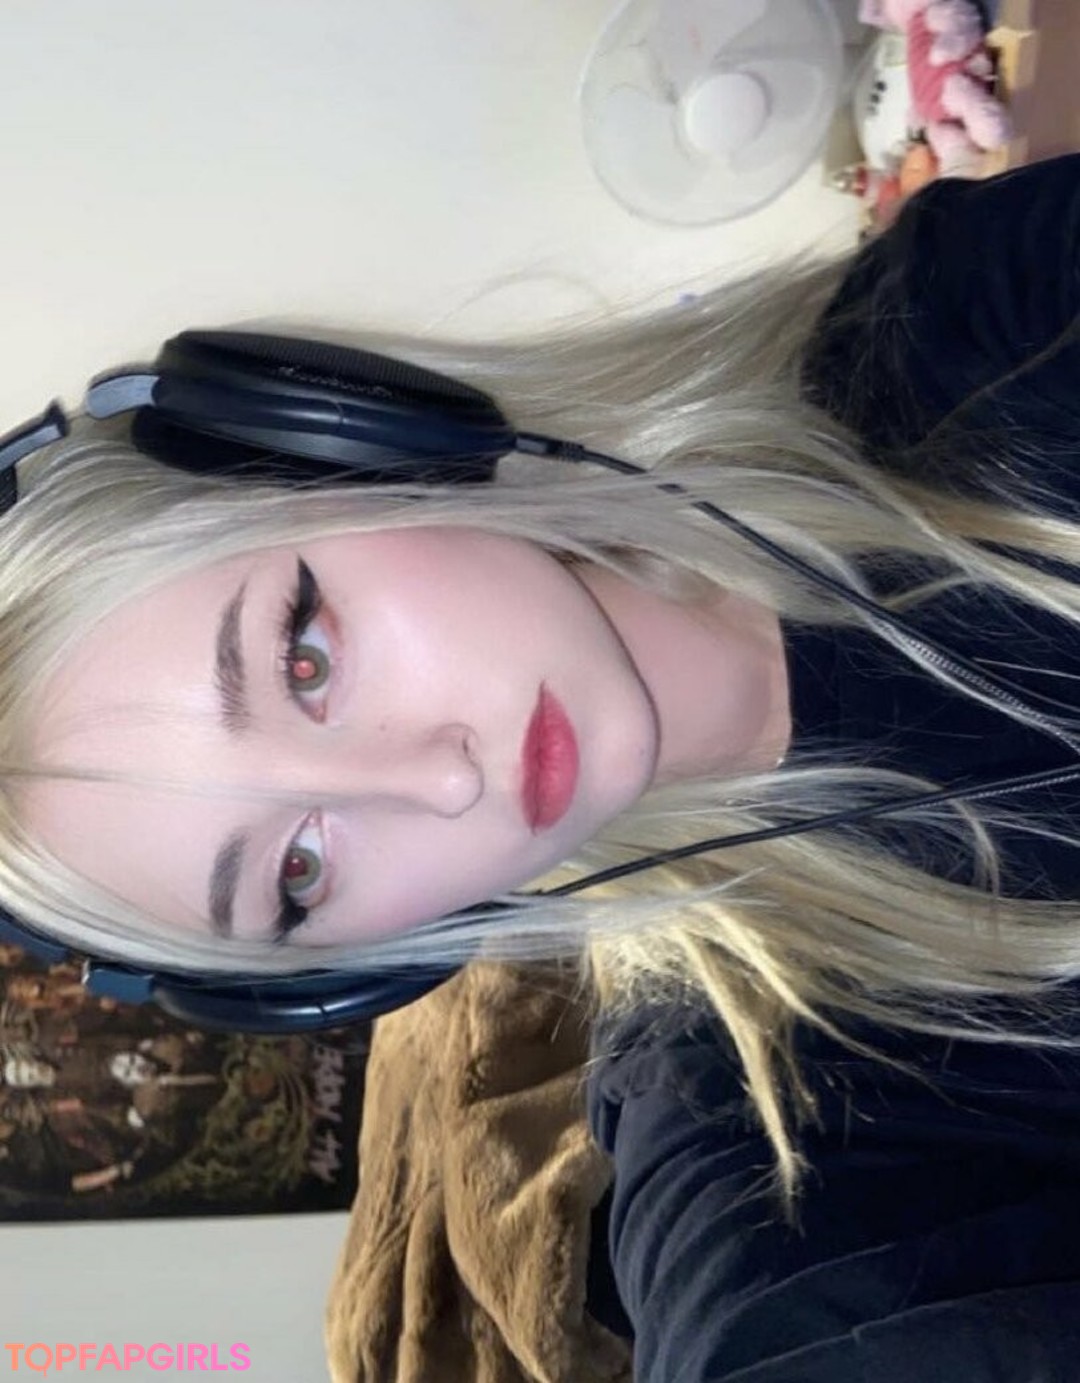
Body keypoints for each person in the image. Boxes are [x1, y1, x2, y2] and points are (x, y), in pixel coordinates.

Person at [3, 154, 1080, 1375]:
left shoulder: (972, 332)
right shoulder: (770, 1133)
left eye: (306, 659)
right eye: (298, 874)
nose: (441, 784)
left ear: (352, 441)